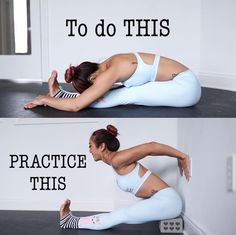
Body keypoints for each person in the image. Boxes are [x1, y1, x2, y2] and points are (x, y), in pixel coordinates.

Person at [60, 125, 190, 230]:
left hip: (169, 202)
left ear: (102, 146)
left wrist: (182, 156)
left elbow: (151, 146)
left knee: (120, 215)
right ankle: (71, 221)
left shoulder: (117, 159)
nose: (89, 150)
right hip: (162, 200)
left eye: (90, 146)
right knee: (121, 213)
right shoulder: (115, 162)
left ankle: (72, 222)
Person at [24, 52, 201, 111]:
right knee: (117, 93)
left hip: (185, 88)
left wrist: (43, 99)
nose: (95, 89)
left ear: (93, 78)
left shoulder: (112, 71)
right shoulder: (109, 63)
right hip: (181, 81)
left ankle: (59, 95)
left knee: (126, 94)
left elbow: (77, 105)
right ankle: (60, 94)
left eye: (91, 86)